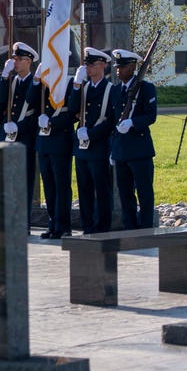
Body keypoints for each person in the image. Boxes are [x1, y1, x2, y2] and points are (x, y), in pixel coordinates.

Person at [68, 47, 119, 234]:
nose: (88, 68)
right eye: (86, 64)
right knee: (84, 190)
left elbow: (112, 121)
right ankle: (87, 226)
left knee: (102, 190)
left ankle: (102, 227)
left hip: (98, 147)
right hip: (81, 149)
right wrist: (75, 85)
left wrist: (92, 133)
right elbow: (72, 110)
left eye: (92, 64)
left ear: (103, 66)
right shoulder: (83, 87)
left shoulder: (110, 90)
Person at [111, 48, 158, 229]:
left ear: (133, 66)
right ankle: (129, 228)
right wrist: (112, 148)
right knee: (125, 193)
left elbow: (150, 115)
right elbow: (112, 121)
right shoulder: (116, 90)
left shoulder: (146, 88)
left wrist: (132, 122)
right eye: (117, 66)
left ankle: (145, 228)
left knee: (144, 192)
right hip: (121, 150)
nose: (119, 70)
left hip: (139, 149)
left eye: (123, 66)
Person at [0, 42, 41, 216]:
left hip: (25, 139)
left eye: (19, 59)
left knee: (25, 181)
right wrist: (5, 78)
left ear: (29, 61)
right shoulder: (11, 82)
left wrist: (19, 126)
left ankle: (25, 222)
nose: (15, 62)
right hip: (9, 138)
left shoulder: (34, 83)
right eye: (14, 58)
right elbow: (1, 103)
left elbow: (36, 113)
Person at [34, 69, 76, 239]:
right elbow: (30, 100)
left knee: (61, 186)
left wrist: (52, 122)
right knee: (49, 187)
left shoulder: (69, 84)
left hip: (60, 141)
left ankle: (63, 226)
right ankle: (52, 224)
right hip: (43, 143)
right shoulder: (45, 82)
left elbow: (73, 113)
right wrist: (37, 79)